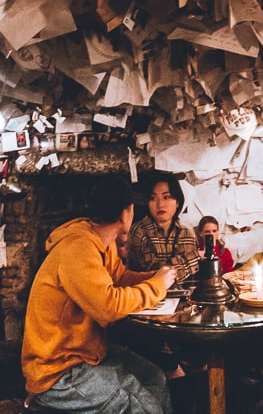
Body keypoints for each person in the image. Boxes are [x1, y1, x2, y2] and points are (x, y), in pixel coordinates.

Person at [22, 176, 177, 413]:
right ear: (126, 214)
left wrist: (156, 276)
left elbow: (119, 277)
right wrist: (157, 286)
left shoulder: (101, 241)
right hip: (58, 372)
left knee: (154, 377)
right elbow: (109, 308)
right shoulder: (78, 248)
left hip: (87, 353)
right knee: (142, 404)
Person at [127, 174, 200, 279]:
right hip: (147, 294)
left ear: (177, 202)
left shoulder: (187, 234)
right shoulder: (139, 231)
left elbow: (189, 278)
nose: (160, 204)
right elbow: (154, 273)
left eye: (166, 197)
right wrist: (193, 259)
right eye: (153, 198)